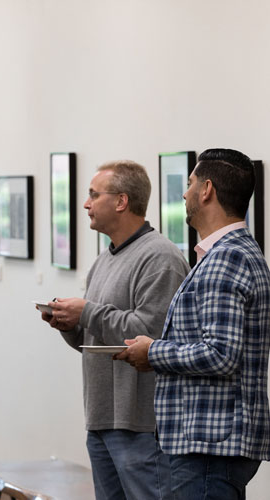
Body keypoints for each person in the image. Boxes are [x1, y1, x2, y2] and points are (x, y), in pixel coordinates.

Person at [117, 148, 270, 499]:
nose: (184, 194)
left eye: (189, 184)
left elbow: (220, 354)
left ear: (207, 190)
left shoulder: (228, 257)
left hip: (210, 447)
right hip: (210, 446)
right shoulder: (229, 253)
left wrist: (153, 352)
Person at [39, 161, 190, 500]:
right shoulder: (103, 260)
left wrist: (88, 311)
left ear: (121, 201)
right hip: (102, 419)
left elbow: (149, 337)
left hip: (141, 425)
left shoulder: (160, 258)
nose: (86, 204)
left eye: (94, 195)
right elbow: (98, 340)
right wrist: (69, 324)